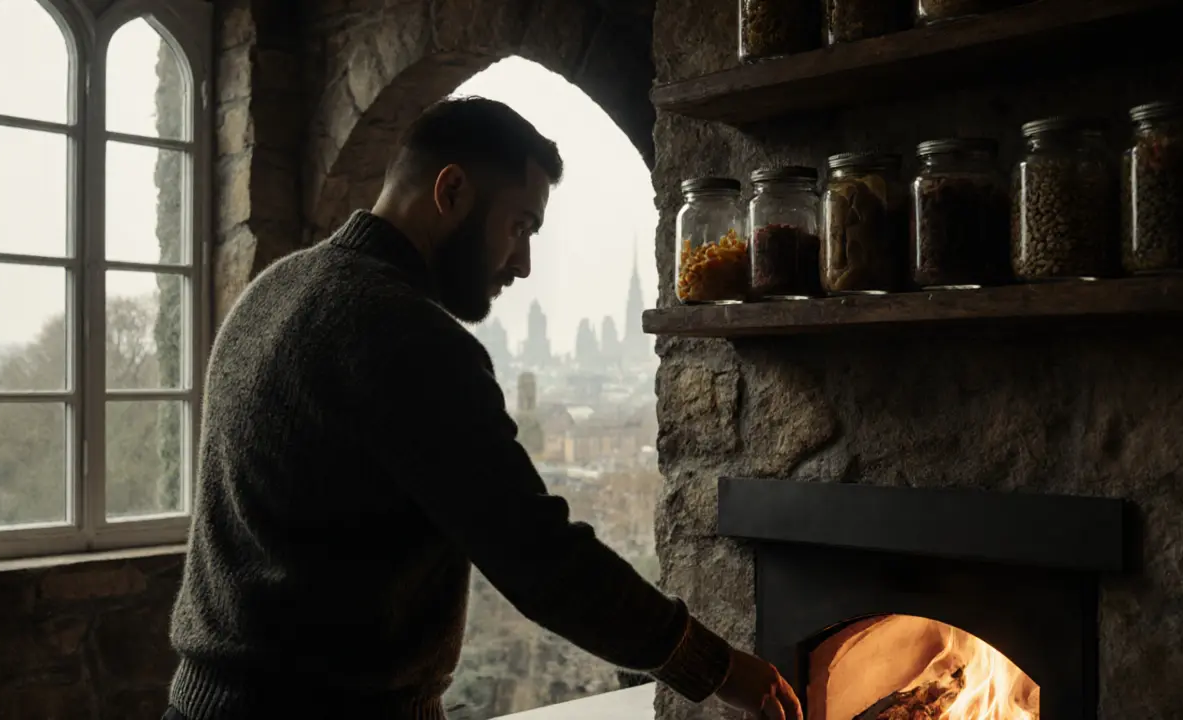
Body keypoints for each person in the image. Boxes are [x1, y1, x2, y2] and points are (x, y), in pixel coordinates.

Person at [162, 96, 802, 720]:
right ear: (452, 192)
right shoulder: (403, 337)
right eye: (520, 225)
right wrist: (717, 668)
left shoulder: (272, 291)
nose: (522, 262)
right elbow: (540, 558)